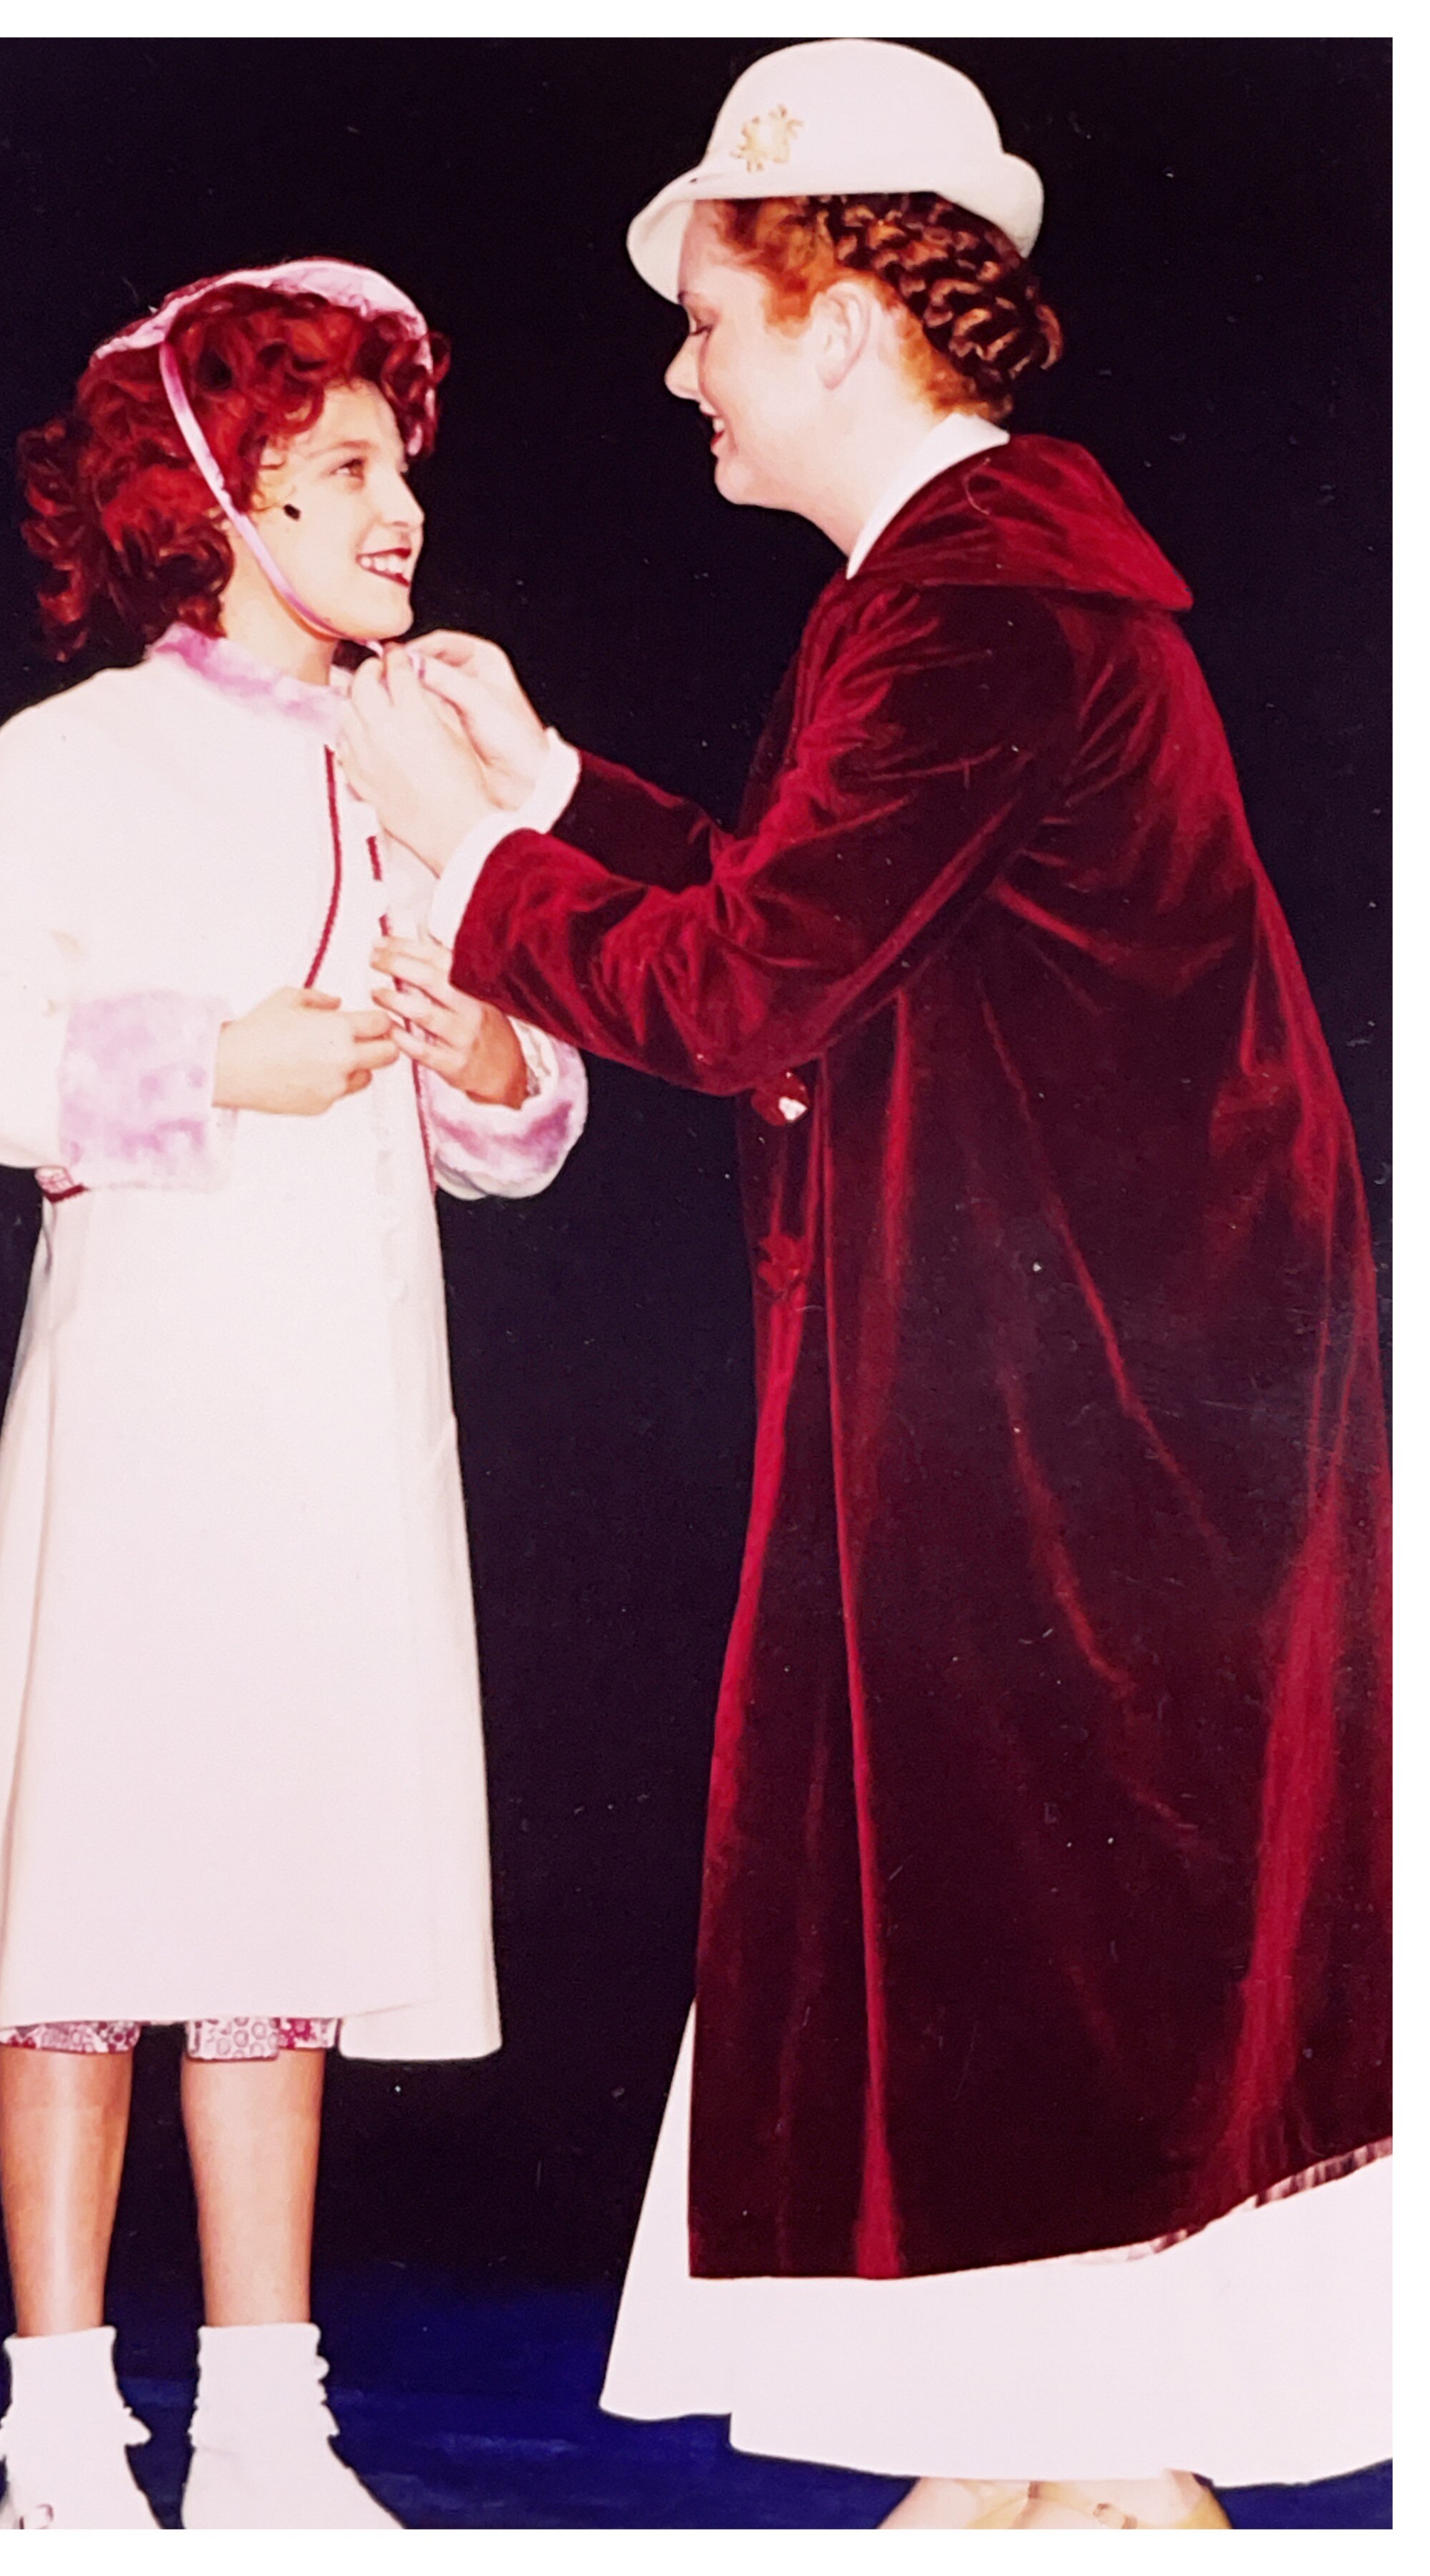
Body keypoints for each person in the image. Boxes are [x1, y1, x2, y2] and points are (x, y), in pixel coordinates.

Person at [338, 41, 1390, 2533]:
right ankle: (1048, 2454)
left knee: (1050, 1889)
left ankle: (1107, 2469)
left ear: (836, 316)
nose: (683, 364)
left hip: (1107, 1376)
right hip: (1093, 1353)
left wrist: (467, 861)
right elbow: (817, 909)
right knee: (1032, 1895)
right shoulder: (949, 581)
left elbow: (739, 994)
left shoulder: (973, 600)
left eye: (714, 312)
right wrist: (556, 786)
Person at [0, 258, 586, 2531]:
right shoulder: (80, 756)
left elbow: (527, 1108)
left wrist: (492, 1061)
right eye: (346, 472)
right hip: (149, 1411)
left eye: (399, 467)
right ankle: (64, 2436)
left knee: (277, 1916)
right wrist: (210, 1060)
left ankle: (268, 2426)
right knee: (95, 1910)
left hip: (344, 1423)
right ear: (218, 495)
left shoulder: (428, 745)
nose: (399, 514)